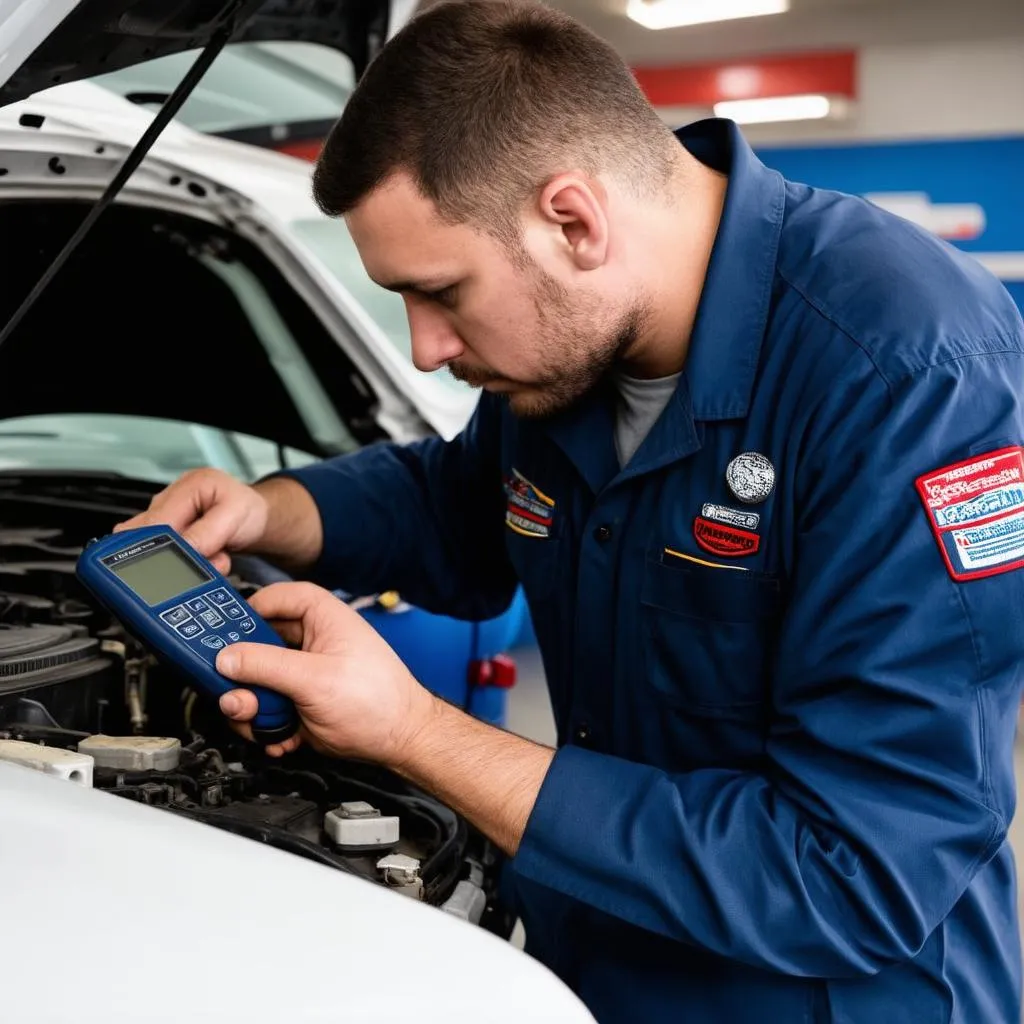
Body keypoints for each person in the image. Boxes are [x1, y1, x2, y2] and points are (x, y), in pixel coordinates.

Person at [116, 2, 1024, 1021]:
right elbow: (461, 508)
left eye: (442, 292)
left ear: (573, 221)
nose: (424, 348)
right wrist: (265, 509)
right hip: (588, 967)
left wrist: (413, 730)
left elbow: (855, 871)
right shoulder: (570, 348)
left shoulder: (907, 371)